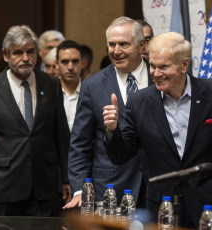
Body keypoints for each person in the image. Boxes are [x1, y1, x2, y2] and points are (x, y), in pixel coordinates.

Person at [103, 32, 212, 230]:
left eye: (164, 67)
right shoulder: (139, 102)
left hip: (211, 205)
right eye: (153, 66)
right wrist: (112, 130)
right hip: (163, 208)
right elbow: (121, 155)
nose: (155, 73)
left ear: (184, 65)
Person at [0, 25, 70, 216]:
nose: (25, 58)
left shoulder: (52, 84)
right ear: (6, 55)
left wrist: (66, 178)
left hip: (45, 188)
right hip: (4, 188)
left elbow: (61, 135)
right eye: (18, 52)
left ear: (37, 53)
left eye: (30, 52)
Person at [63, 16, 153, 210]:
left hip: (156, 188)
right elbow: (80, 145)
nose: (116, 51)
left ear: (142, 45)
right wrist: (79, 189)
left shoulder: (159, 78)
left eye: (123, 44)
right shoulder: (92, 86)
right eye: (112, 44)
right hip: (111, 189)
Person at [56, 40, 82, 131]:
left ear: (82, 63)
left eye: (75, 61)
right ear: (56, 64)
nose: (70, 67)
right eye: (65, 62)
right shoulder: (49, 92)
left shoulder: (92, 92)